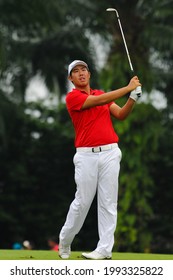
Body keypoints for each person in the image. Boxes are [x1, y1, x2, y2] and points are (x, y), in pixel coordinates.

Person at [58, 60, 142, 260]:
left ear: (89, 74)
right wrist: (127, 87)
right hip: (86, 155)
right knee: (83, 201)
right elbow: (100, 101)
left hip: (110, 153)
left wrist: (132, 98)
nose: (81, 73)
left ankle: (104, 249)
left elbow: (120, 115)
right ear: (71, 78)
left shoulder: (99, 94)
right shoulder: (73, 98)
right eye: (76, 72)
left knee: (108, 202)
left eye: (84, 70)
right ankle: (65, 240)